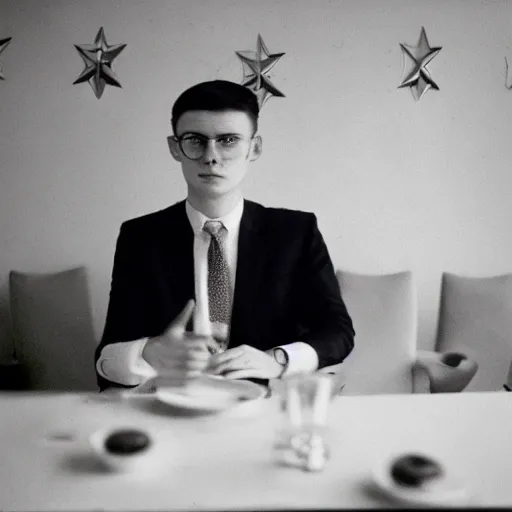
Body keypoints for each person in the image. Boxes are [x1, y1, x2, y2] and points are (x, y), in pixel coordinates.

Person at [95, 80, 354, 391]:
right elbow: (107, 355)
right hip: (173, 407)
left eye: (229, 140)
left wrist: (277, 360)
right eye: (195, 140)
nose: (211, 156)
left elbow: (338, 332)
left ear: (254, 148)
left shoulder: (295, 232)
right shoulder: (140, 237)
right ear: (175, 148)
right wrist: (146, 351)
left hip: (264, 409)